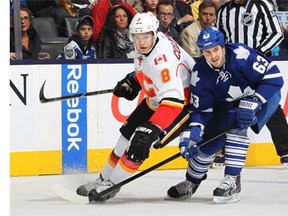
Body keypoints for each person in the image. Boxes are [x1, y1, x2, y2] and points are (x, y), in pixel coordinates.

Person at [76, 11, 196, 202]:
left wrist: (153, 128)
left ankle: (112, 185)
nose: (141, 41)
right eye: (137, 37)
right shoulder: (149, 45)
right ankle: (103, 179)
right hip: (157, 99)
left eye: (146, 36)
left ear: (154, 34)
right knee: (125, 136)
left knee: (140, 142)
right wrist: (132, 81)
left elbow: (174, 100)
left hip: (181, 104)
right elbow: (145, 69)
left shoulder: (163, 60)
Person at [166, 27, 284, 203]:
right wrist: (194, 131)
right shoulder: (200, 73)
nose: (213, 56)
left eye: (215, 49)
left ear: (223, 46)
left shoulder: (241, 56)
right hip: (229, 102)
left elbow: (275, 76)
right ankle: (191, 181)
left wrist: (256, 100)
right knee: (209, 142)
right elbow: (201, 110)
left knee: (239, 124)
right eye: (207, 52)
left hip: (264, 94)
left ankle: (232, 180)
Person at [215, 0, 288, 168]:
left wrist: (256, 53)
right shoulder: (223, 10)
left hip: (257, 65)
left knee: (268, 104)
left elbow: (277, 33)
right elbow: (220, 38)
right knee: (230, 105)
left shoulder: (262, 5)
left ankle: (285, 151)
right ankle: (227, 151)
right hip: (233, 67)